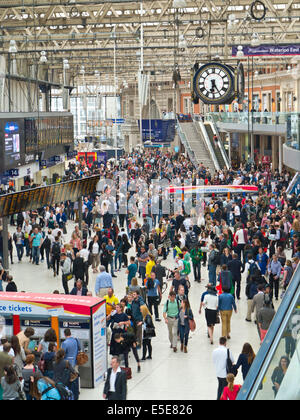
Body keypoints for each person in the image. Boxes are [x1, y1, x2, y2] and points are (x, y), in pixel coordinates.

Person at [61, 328, 80, 400]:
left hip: (67, 365)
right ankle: (76, 393)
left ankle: (69, 394)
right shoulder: (76, 340)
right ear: (70, 333)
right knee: (75, 378)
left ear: (64, 334)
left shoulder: (64, 343)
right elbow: (79, 348)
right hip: (75, 363)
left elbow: (62, 354)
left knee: (68, 380)